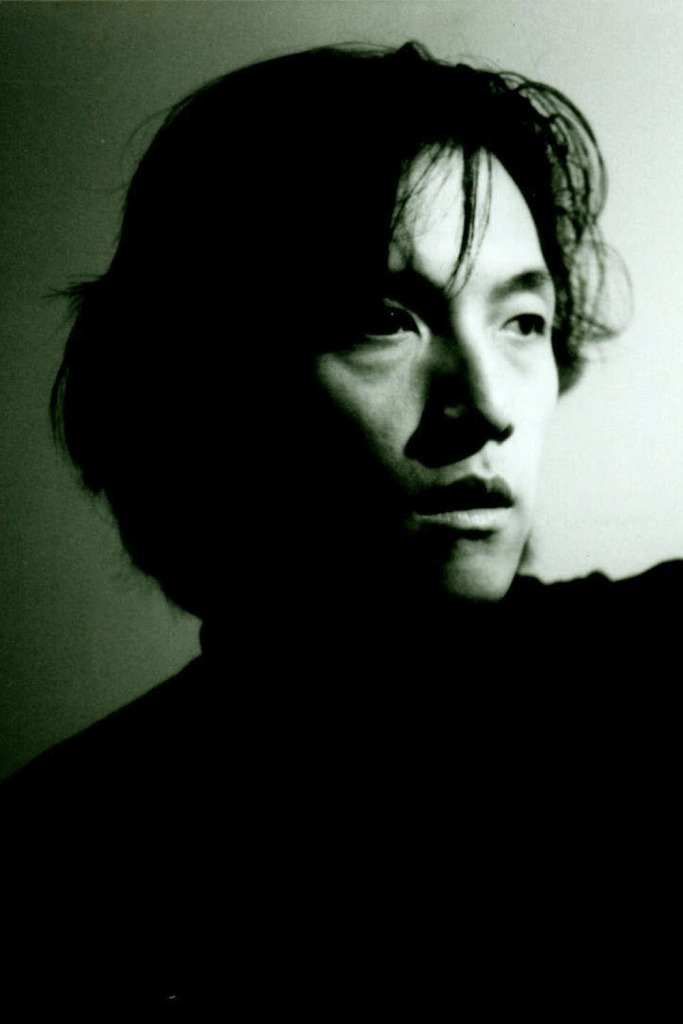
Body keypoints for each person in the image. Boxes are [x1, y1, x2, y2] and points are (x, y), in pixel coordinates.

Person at [2, 42, 677, 1013]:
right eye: (381, 318)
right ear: (203, 376)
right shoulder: (68, 858)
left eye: (522, 321)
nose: (487, 405)